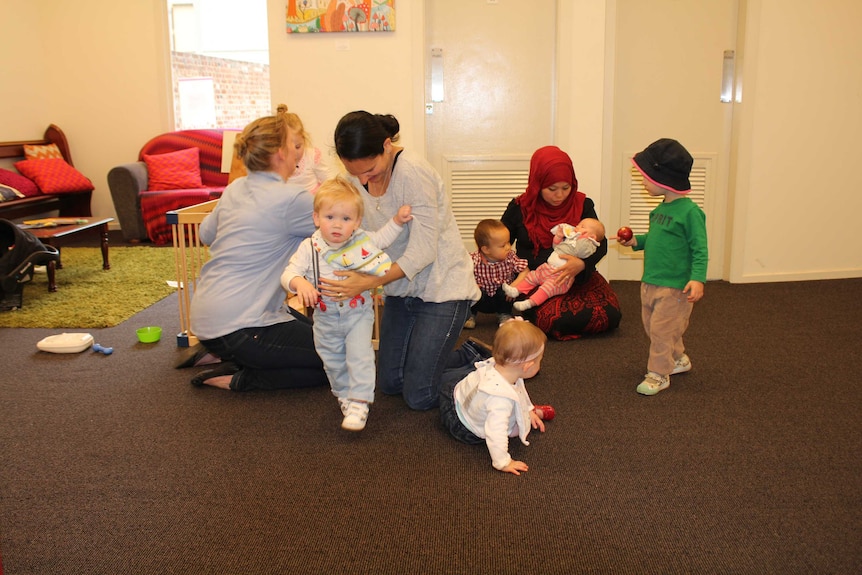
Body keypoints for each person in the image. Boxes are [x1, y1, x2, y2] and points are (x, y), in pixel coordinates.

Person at [322, 110, 482, 411]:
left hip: (442, 289)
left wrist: (368, 282)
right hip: (401, 289)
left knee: (419, 396)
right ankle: (436, 361)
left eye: (369, 170)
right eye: (354, 172)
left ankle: (482, 362)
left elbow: (423, 253)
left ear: (386, 145)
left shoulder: (413, 173)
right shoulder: (353, 177)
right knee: (391, 384)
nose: (362, 179)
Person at [187, 104, 328, 391]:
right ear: (280, 153)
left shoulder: (235, 188)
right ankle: (239, 377)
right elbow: (342, 234)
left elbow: (205, 233)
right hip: (243, 325)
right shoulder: (292, 198)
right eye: (294, 145)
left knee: (323, 341)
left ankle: (228, 353)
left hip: (207, 316)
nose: (299, 152)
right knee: (338, 362)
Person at [281, 177, 412, 431]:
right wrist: (300, 283)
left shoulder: (360, 241)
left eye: (346, 219)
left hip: (357, 314)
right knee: (332, 359)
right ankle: (344, 395)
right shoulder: (310, 247)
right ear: (316, 218)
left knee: (360, 355)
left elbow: (382, 239)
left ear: (357, 222)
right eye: (330, 217)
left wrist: (397, 221)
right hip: (325, 318)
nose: (337, 225)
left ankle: (360, 402)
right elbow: (287, 274)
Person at [501, 146, 621, 340]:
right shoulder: (519, 207)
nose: (560, 195)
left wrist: (582, 264)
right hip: (537, 277)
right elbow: (500, 242)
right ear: (537, 183)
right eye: (552, 189)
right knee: (553, 319)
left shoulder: (583, 204)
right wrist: (515, 273)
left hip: (576, 275)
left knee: (610, 314)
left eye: (566, 188)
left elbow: (601, 243)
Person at [619, 138, 707, 396]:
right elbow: (656, 240)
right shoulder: (659, 210)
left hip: (674, 286)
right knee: (654, 326)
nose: (643, 182)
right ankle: (678, 359)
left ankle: (659, 373)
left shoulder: (690, 213)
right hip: (652, 281)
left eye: (646, 177)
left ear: (664, 179)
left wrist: (698, 278)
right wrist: (636, 241)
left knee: (660, 330)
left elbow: (700, 248)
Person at [438, 320, 555, 476]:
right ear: (527, 366)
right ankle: (525, 415)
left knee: (508, 402)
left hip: (454, 394)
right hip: (462, 426)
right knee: (513, 429)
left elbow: (519, 390)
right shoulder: (500, 399)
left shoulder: (500, 366)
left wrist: (528, 408)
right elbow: (495, 432)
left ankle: (530, 412)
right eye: (539, 361)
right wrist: (503, 462)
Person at [503, 217, 606, 312]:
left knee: (547, 288)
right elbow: (557, 247)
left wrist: (584, 239)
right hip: (547, 268)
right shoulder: (571, 240)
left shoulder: (588, 245)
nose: (577, 227)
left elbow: (583, 252)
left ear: (592, 236)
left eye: (582, 227)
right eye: (579, 224)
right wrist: (558, 237)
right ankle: (516, 290)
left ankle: (530, 302)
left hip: (561, 276)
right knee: (532, 276)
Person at [465, 218, 530, 329]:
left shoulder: (510, 257)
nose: (509, 247)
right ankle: (471, 314)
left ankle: (504, 314)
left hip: (501, 298)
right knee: (471, 293)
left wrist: (513, 286)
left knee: (505, 291)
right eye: (503, 245)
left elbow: (525, 270)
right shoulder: (473, 260)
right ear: (486, 249)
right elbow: (460, 275)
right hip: (482, 298)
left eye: (509, 242)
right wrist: (471, 285)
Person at [284, 108, 333, 193]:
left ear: (304, 139)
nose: (294, 153)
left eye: (298, 146)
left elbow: (328, 179)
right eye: (287, 149)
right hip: (289, 203)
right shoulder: (277, 163)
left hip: (312, 201)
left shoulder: (311, 156)